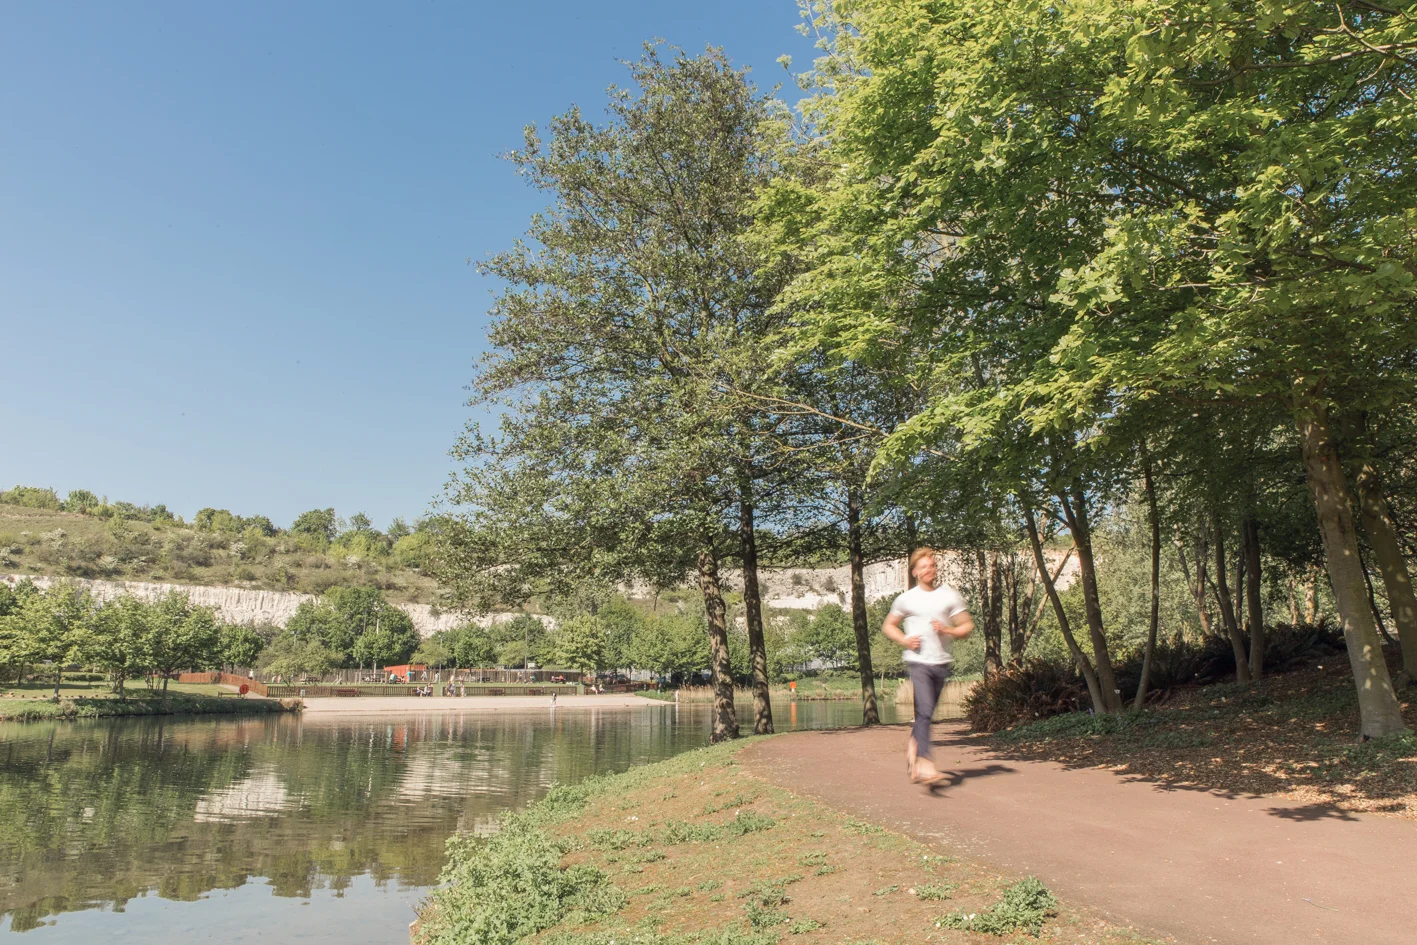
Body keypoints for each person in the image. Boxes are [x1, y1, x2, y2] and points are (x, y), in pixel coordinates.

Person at [881, 547, 974, 785]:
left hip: (941, 662)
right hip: (918, 662)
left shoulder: (948, 595)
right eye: (923, 567)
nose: (929, 569)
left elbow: (966, 627)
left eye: (932, 565)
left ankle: (913, 750)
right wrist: (904, 639)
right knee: (923, 711)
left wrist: (948, 630)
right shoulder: (906, 599)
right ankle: (925, 763)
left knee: (927, 714)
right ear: (915, 572)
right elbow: (889, 625)